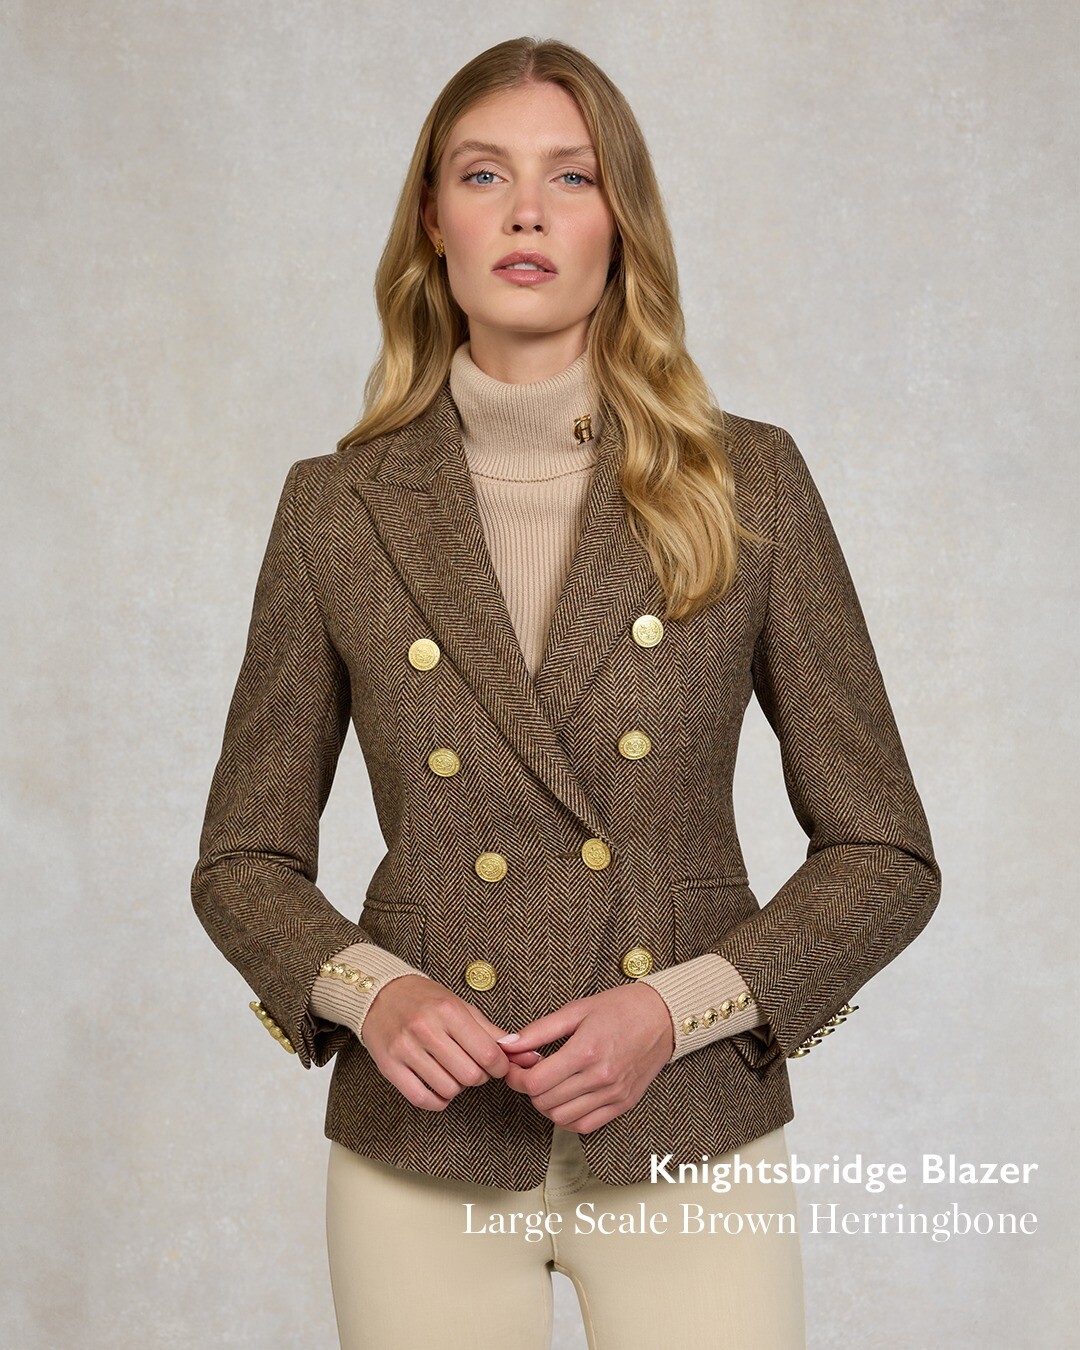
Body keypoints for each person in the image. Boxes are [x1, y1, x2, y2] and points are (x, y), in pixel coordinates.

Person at [191, 36, 941, 1349]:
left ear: (620, 224)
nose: (526, 211)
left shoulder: (748, 483)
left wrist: (675, 1010)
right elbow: (242, 859)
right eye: (484, 174)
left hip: (688, 1129)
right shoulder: (336, 508)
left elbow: (885, 852)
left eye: (572, 176)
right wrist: (373, 992)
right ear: (434, 223)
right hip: (422, 1141)